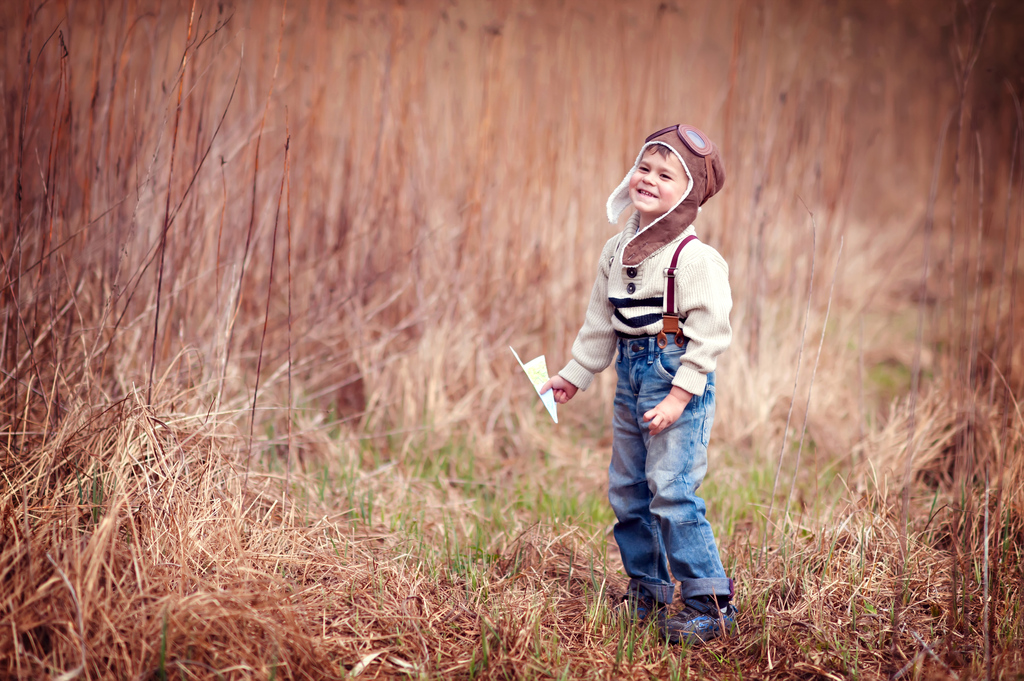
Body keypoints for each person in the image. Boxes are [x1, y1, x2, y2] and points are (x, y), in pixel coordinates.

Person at [539, 124, 736, 644]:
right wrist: (574, 375)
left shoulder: (695, 260)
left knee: (671, 490)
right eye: (643, 168)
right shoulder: (616, 248)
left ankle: (709, 602)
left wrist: (678, 396)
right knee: (627, 490)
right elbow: (600, 322)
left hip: (674, 374)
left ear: (689, 193)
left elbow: (711, 337)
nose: (648, 179)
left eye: (665, 174)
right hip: (630, 371)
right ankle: (647, 590)